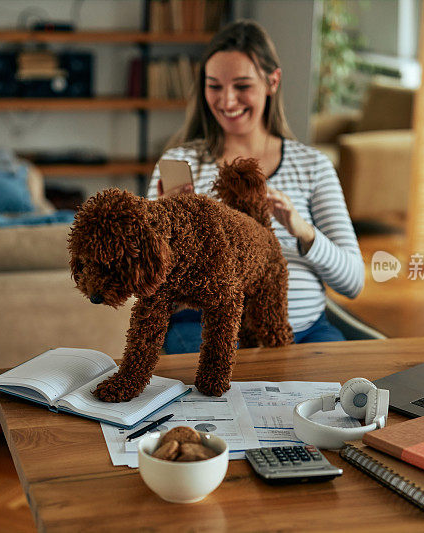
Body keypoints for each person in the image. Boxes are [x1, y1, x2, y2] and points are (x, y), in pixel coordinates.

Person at [148, 20, 364, 354]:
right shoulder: (181, 164)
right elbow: (150, 281)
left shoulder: (312, 166)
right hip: (204, 329)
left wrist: (302, 231)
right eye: (214, 86)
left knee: (337, 399)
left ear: (272, 81)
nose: (227, 100)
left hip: (305, 331)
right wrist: (170, 231)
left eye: (242, 85)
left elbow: (353, 283)